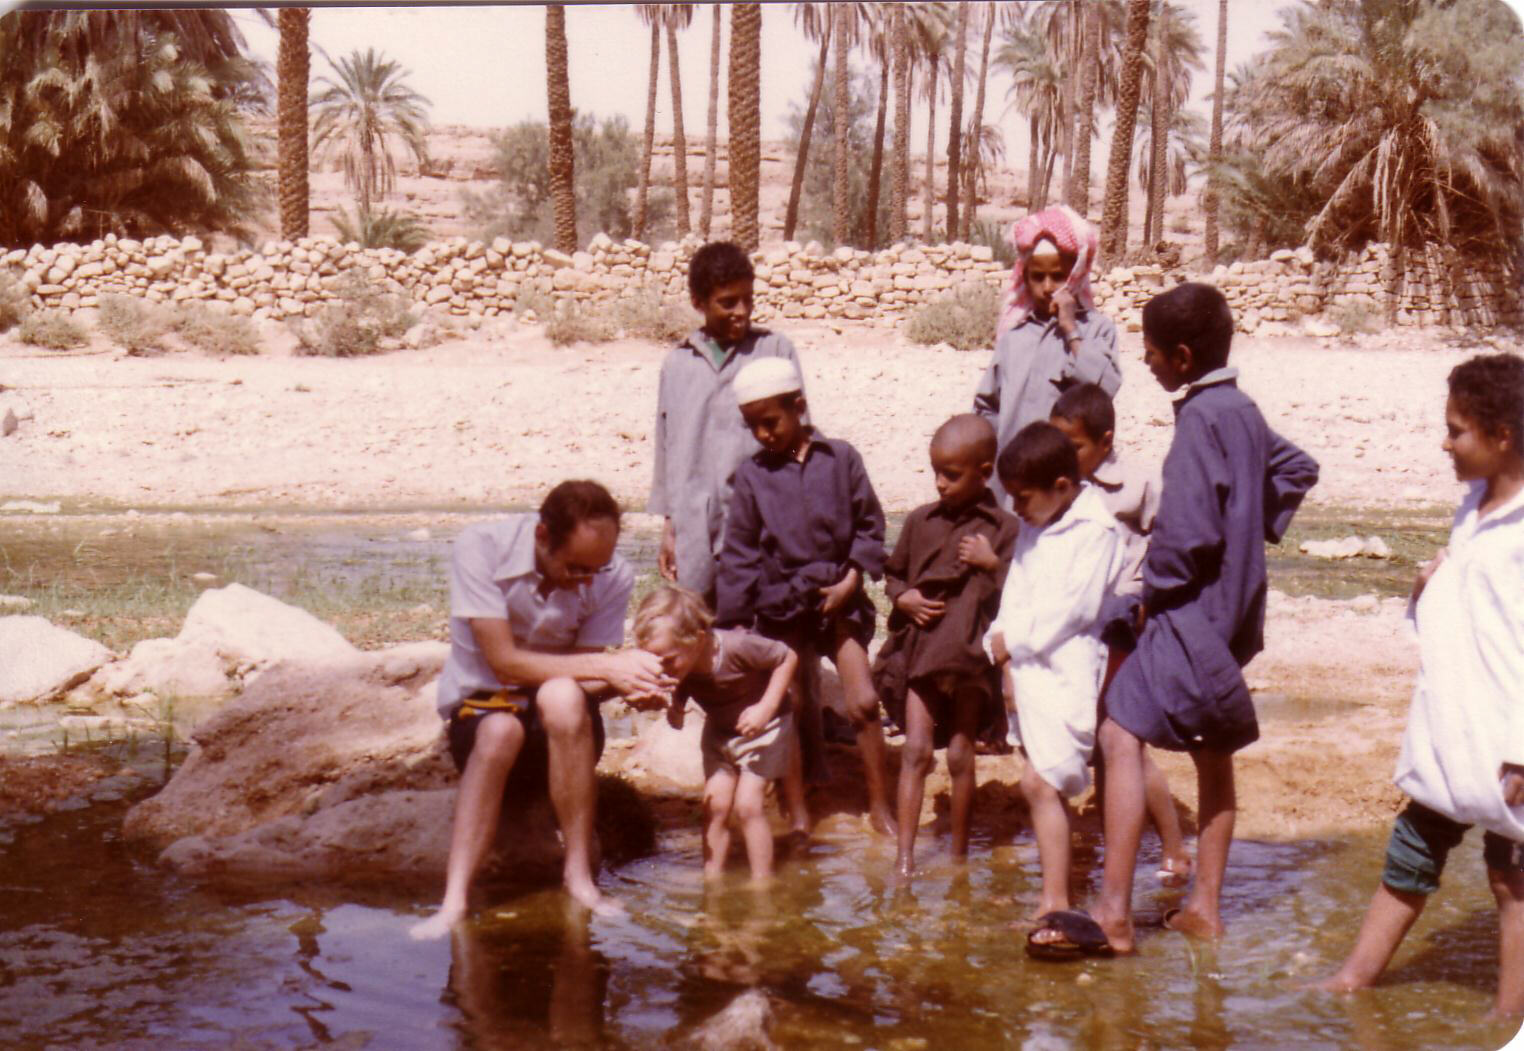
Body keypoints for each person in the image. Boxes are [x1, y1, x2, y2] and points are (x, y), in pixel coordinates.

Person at [1087, 283, 1318, 955]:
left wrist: (1152, 589)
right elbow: (1298, 468)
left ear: (1182, 356)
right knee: (1212, 758)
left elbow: (1184, 537)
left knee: (1118, 732)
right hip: (1235, 618)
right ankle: (1206, 907)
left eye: (1152, 351)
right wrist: (1251, 523)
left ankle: (1113, 912)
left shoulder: (1198, 422)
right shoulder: (1241, 410)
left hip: (1187, 616)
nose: (1147, 361)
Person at [1320, 354, 1524, 1015]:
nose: (1445, 442)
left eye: (1456, 429)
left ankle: (1506, 1014)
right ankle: (1353, 979)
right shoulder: (1474, 508)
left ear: (1501, 437)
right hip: (1456, 721)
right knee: (1413, 843)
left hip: (1508, 735)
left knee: (1512, 875)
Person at [410, 480, 672, 940]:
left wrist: (627, 683)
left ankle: (578, 877)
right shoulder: (482, 548)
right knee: (499, 733)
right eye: (575, 568)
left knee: (564, 696)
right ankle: (454, 899)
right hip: (485, 719)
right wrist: (610, 666)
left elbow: (586, 679)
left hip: (560, 733)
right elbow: (503, 661)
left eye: (597, 568)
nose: (587, 580)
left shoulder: (612, 575)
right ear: (543, 536)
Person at [716, 355, 899, 836]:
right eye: (754, 427)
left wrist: (852, 579)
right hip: (783, 602)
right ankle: (797, 808)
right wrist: (733, 622)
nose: (764, 435)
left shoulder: (841, 459)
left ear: (799, 406)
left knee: (861, 700)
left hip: (841, 595)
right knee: (791, 702)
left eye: (771, 422)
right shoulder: (753, 478)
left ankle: (881, 803)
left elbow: (870, 527)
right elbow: (739, 554)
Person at [982, 422, 1127, 954]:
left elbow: (1078, 608)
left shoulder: (1097, 530)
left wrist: (1013, 641)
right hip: (1028, 666)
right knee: (1039, 780)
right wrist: (997, 641)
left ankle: (1055, 897)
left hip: (1066, 665)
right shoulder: (1036, 524)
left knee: (1043, 783)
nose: (1015, 509)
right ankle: (1056, 892)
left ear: (1063, 487)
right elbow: (1017, 589)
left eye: (1022, 498)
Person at [1049, 382, 1191, 888]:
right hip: (1078, 624)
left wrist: (1148, 600)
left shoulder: (1136, 484)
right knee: (1098, 736)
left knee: (1121, 736)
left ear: (1105, 442)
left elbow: (1169, 540)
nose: (1066, 455)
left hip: (1121, 623)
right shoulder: (1061, 487)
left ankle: (1172, 846)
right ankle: (1117, 847)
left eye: (1077, 446)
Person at [874, 414, 1020, 876]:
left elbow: (1022, 590)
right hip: (922, 650)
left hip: (971, 658)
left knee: (960, 752)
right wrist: (906, 597)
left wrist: (991, 562)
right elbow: (893, 574)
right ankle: (905, 860)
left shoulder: (1004, 528)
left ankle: (958, 858)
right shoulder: (920, 522)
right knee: (916, 751)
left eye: (952, 475)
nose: (940, 483)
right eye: (935, 471)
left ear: (984, 470)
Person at [650, 240, 805, 600]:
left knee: (764, 620)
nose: (742, 311)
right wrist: (670, 527)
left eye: (748, 300)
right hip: (695, 522)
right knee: (697, 619)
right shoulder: (677, 365)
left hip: (762, 519)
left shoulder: (775, 351)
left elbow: (800, 437)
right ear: (698, 303)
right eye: (728, 302)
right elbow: (666, 448)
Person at [635, 586, 799, 883]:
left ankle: (763, 882)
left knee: (748, 805)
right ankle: (712, 878)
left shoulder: (737, 647)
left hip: (765, 728)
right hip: (720, 733)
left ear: (698, 640)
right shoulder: (682, 662)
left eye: (668, 661)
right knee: (715, 804)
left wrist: (767, 706)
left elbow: (787, 657)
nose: (662, 671)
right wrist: (676, 705)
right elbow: (683, 680)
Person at [973, 204, 1121, 507]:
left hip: (1066, 485)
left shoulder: (1097, 331)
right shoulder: (1014, 337)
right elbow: (988, 407)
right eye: (1037, 277)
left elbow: (1105, 389)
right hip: (1012, 487)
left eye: (1057, 276)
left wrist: (1070, 330)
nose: (1047, 287)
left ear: (1075, 275)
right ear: (1024, 277)